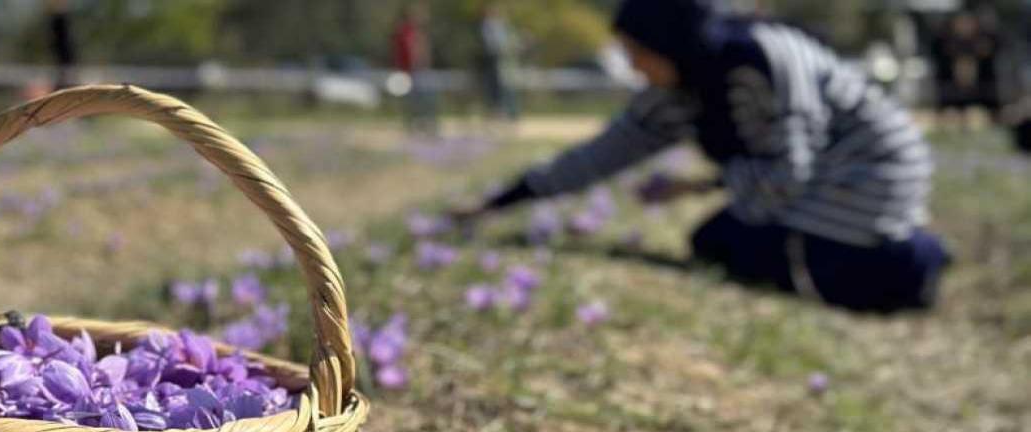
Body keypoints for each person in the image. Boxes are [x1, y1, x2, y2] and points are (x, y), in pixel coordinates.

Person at [452, 0, 951, 313]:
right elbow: (597, 156)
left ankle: (909, 266)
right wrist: (498, 203)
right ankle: (897, 261)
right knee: (718, 239)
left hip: (868, 173)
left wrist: (696, 186)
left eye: (636, 52)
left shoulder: (759, 62)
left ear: (669, 42)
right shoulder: (677, 90)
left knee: (729, 242)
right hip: (820, 181)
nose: (631, 66)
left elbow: (788, 174)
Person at [391, 3, 439, 134]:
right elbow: (410, 53)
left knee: (426, 99)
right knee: (416, 100)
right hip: (411, 71)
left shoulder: (418, 32)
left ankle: (426, 125)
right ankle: (417, 125)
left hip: (419, 71)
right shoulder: (406, 31)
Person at [478, 2, 521, 122]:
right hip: (493, 61)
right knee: (496, 88)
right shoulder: (487, 26)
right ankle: (498, 112)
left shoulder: (502, 26)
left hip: (504, 62)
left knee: (507, 87)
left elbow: (508, 43)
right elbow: (493, 45)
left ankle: (509, 114)